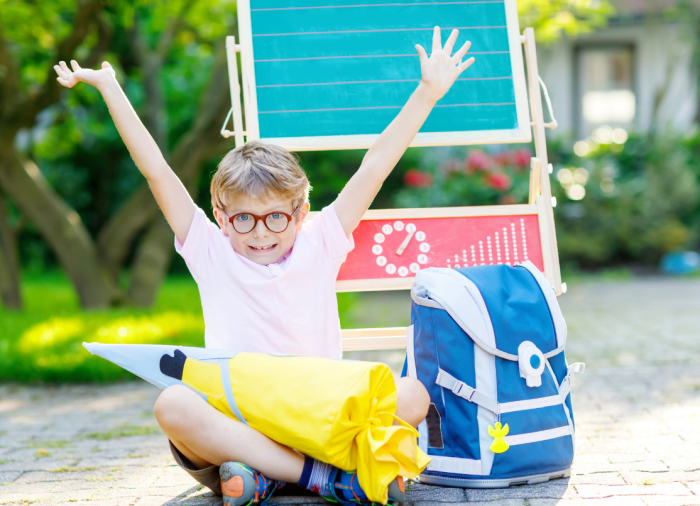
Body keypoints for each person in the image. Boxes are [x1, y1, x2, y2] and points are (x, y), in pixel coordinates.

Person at [54, 26, 474, 506]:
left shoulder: (323, 240)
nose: (259, 232)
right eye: (244, 218)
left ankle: (266, 476)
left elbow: (375, 164)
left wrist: (427, 92)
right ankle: (324, 477)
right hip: (242, 418)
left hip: (320, 411)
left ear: (300, 212)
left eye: (275, 216)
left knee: (412, 397)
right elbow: (156, 171)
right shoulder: (209, 250)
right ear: (221, 216)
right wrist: (110, 88)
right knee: (173, 405)